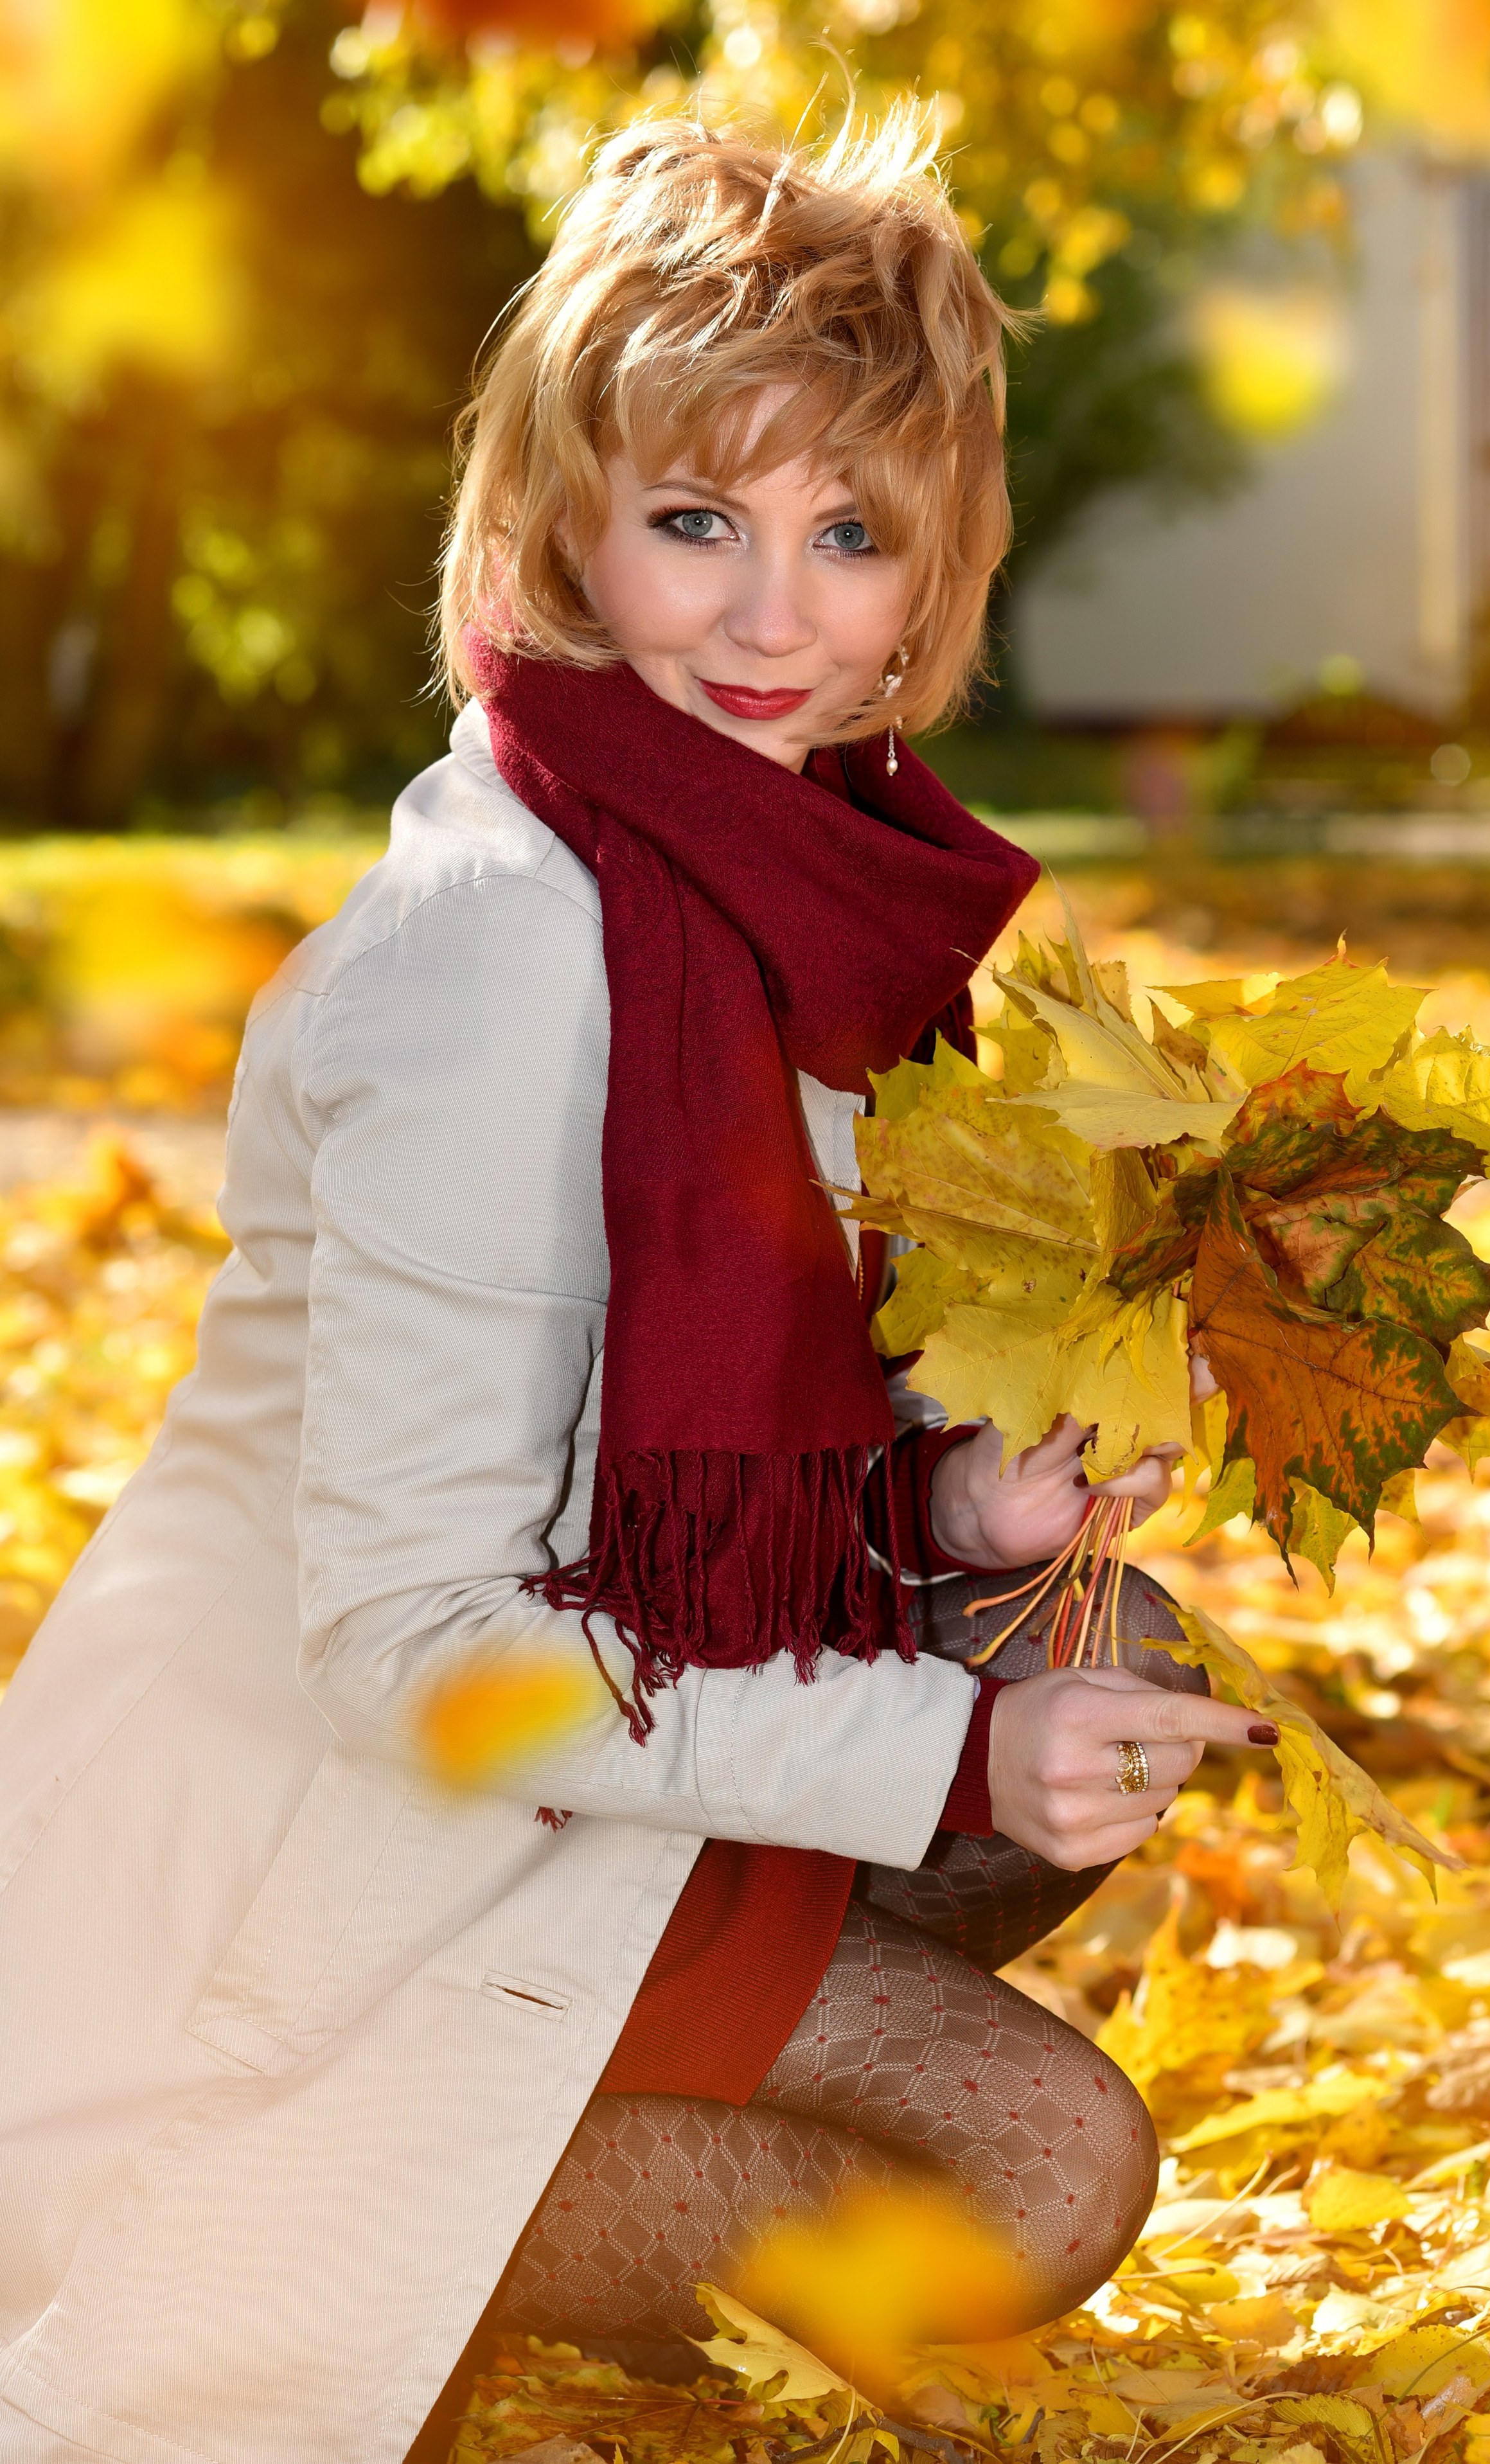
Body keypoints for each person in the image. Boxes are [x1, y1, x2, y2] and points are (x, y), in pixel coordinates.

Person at [0, 116, 1275, 2464]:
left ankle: (513, 2128)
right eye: (700, 520)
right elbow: (407, 1647)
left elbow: (700, 1441)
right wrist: (950, 1746)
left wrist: (958, 1520)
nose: (772, 618)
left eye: (848, 535)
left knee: (1106, 1641)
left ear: (929, 576)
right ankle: (286, 2225)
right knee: (1041, 2167)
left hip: (547, 1766)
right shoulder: (500, 949)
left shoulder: (787, 890)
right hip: (325, 1837)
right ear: (570, 521)